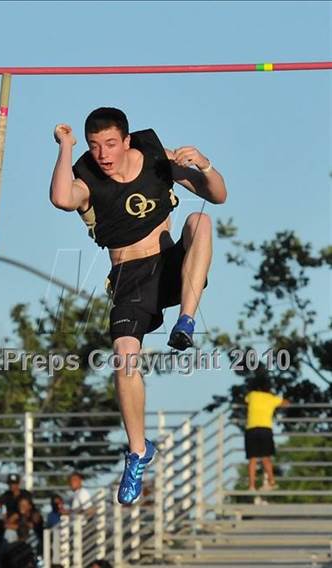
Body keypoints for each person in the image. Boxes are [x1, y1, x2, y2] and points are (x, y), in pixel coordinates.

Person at [50, 108, 227, 505]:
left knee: (201, 225)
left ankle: (186, 318)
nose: (103, 154)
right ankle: (137, 451)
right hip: (129, 278)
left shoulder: (153, 155)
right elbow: (62, 198)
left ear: (126, 140)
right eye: (95, 146)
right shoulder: (87, 177)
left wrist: (205, 164)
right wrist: (66, 147)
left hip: (172, 267)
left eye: (110, 144)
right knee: (125, 358)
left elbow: (217, 195)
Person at [245, 378, 290, 491]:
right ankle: (271, 481)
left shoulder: (252, 395)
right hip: (266, 429)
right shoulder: (272, 398)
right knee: (266, 457)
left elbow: (246, 400)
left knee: (252, 459)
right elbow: (286, 403)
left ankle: (251, 486)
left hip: (252, 428)